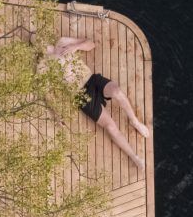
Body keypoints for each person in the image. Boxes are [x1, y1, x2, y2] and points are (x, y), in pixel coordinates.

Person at [44, 36, 151, 171]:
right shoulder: (43, 65)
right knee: (110, 127)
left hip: (91, 79)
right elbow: (47, 94)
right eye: (36, 41)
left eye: (40, 37)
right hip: (80, 96)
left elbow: (91, 44)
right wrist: (56, 114)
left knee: (117, 92)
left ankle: (135, 121)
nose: (41, 42)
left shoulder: (62, 42)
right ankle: (135, 158)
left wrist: (76, 46)